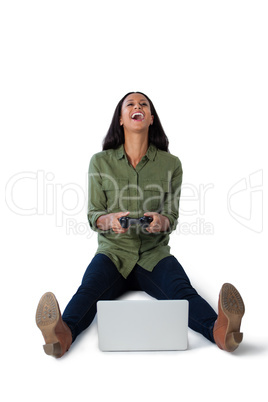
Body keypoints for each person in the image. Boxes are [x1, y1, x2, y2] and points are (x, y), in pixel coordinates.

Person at [36, 92, 245, 358]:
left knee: (181, 291)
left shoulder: (172, 165)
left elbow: (171, 214)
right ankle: (60, 336)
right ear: (121, 119)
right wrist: (110, 220)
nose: (138, 107)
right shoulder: (100, 162)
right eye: (131, 105)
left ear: (151, 118)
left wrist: (161, 221)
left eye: (144, 104)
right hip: (113, 253)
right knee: (88, 290)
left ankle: (221, 331)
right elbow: (93, 214)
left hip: (153, 255)